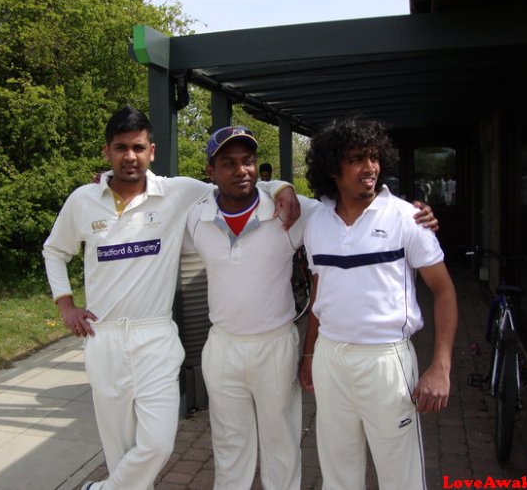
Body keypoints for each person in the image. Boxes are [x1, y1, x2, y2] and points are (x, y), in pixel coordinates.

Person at [42, 106, 300, 490]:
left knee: (157, 443)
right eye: (121, 148)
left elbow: (239, 183)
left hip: (156, 335)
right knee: (118, 447)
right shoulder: (83, 200)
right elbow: (54, 251)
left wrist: (283, 187)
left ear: (152, 151)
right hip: (103, 336)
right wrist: (65, 303)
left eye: (138, 148)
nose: (130, 156)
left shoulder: (178, 192)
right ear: (106, 152)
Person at [184, 125, 440, 490]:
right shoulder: (195, 215)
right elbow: (155, 195)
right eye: (228, 163)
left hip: (277, 343)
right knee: (229, 444)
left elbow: (342, 211)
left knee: (282, 446)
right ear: (210, 172)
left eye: (248, 161)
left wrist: (280, 187)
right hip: (223, 343)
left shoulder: (297, 211)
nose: (241, 170)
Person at [298, 116, 458, 490]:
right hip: (330, 360)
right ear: (332, 168)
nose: (369, 168)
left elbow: (445, 290)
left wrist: (441, 367)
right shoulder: (316, 223)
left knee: (400, 476)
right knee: (337, 472)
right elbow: (322, 293)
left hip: (386, 361)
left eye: (373, 157)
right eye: (356, 158)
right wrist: (309, 356)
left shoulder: (408, 218)